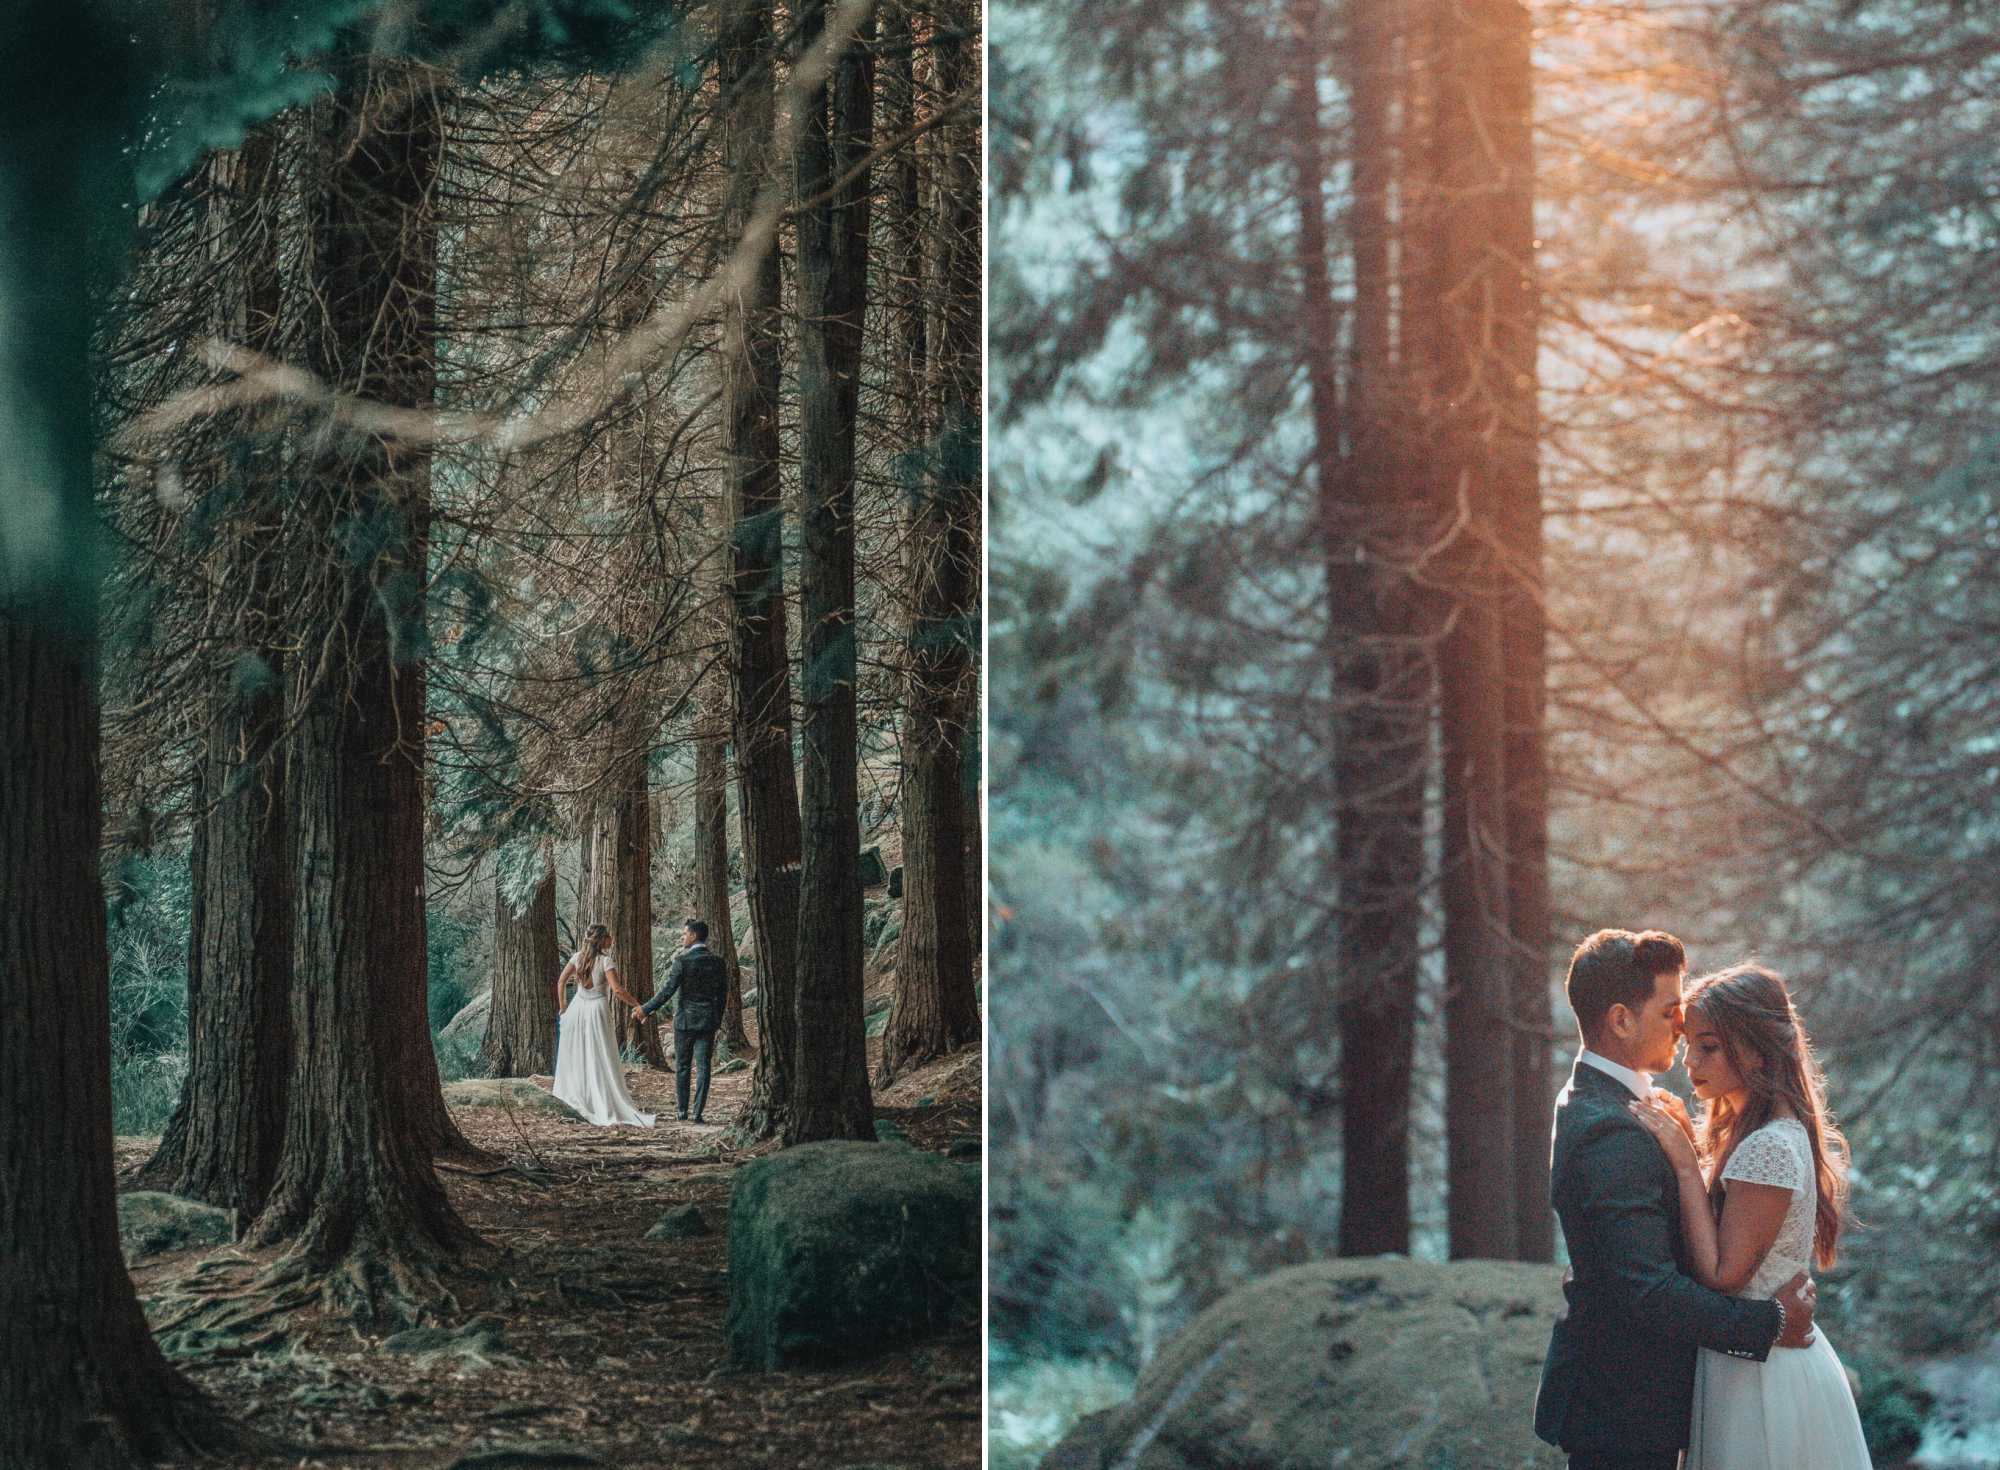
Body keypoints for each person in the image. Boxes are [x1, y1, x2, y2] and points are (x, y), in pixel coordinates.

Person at [1535, 928, 1818, 1470]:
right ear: (1621, 1020)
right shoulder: (1608, 1127)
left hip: (1648, 1404)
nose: (1680, 1027)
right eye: (1669, 1014)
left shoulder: (1623, 1107)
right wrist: (1769, 1324)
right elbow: (1646, 1289)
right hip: (1623, 1412)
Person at [1626, 962, 1871, 1470]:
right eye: (1689, 1043)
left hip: (1762, 1379)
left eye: (1709, 1046)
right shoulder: (1751, 1134)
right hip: (1745, 1360)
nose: (1690, 1061)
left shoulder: (1768, 1148)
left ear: (1758, 1047)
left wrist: (1683, 1161)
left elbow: (1723, 1275)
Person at [552, 923, 656, 1128]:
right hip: (597, 1009)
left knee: (579, 1055)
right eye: (609, 936)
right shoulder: (605, 961)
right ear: (602, 940)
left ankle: (582, 1096)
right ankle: (600, 1097)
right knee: (601, 1053)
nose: (612, 939)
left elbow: (561, 981)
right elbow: (617, 990)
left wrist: (564, 1006)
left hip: (578, 1008)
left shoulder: (577, 958)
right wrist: (637, 1004)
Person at [634, 919, 727, 1123]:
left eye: (684, 933)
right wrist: (717, 1020)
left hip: (684, 1022)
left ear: (694, 936)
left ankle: (682, 1111)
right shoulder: (718, 962)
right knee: (704, 1067)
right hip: (707, 1022)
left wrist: (645, 1009)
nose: (682, 937)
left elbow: (667, 991)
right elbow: (722, 996)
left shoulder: (682, 961)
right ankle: (698, 1113)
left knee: (683, 1067)